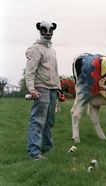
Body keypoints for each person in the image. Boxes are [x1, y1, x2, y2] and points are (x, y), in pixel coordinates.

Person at [25, 21, 61, 160]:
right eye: (45, 31)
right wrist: (31, 89)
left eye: (50, 31)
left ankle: (46, 147)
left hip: (52, 89)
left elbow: (55, 71)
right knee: (38, 120)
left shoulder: (52, 50)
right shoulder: (36, 49)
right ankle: (34, 153)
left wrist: (58, 88)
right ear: (40, 30)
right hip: (41, 88)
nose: (48, 34)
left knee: (49, 120)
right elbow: (30, 70)